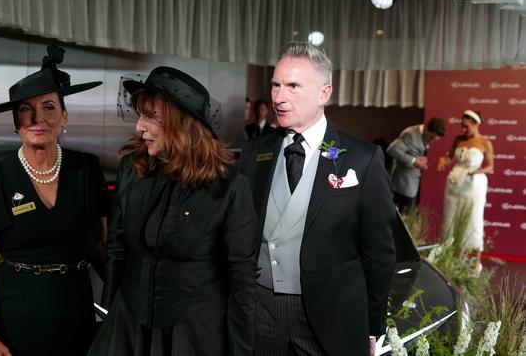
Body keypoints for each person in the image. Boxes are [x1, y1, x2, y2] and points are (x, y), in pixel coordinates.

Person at [238, 41, 396, 356]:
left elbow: (379, 253)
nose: (279, 97)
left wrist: (372, 326)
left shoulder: (362, 159)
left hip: (328, 317)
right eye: (276, 86)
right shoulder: (256, 152)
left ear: (324, 94)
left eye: (293, 86)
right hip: (259, 312)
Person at [90, 66, 259, 355]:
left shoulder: (229, 186)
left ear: (182, 124)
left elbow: (241, 278)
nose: (139, 128)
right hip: (127, 326)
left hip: (193, 333)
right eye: (140, 115)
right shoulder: (134, 169)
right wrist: (107, 312)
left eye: (151, 117)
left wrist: (240, 350)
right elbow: (117, 248)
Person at [0, 45, 109, 356]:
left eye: (49, 107)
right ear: (16, 122)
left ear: (65, 116)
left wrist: (126, 303)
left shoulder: (86, 169)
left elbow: (99, 248)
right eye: (26, 109)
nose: (37, 118)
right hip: (19, 314)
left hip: (76, 309)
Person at [437, 110, 493, 274]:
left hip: (473, 186)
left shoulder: (484, 142)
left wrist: (478, 171)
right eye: (461, 126)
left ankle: (475, 262)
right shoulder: (458, 140)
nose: (463, 129)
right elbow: (449, 158)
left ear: (476, 124)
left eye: (466, 126)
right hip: (454, 185)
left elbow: (490, 166)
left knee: (473, 221)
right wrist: (443, 160)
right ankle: (455, 259)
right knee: (452, 220)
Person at [387, 117, 446, 213]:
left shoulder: (425, 135)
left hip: (413, 184)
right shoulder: (410, 134)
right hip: (402, 186)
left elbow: (416, 151)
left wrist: (422, 160)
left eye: (434, 139)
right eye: (430, 137)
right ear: (426, 128)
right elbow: (392, 149)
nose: (431, 141)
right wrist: (414, 161)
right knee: (402, 221)